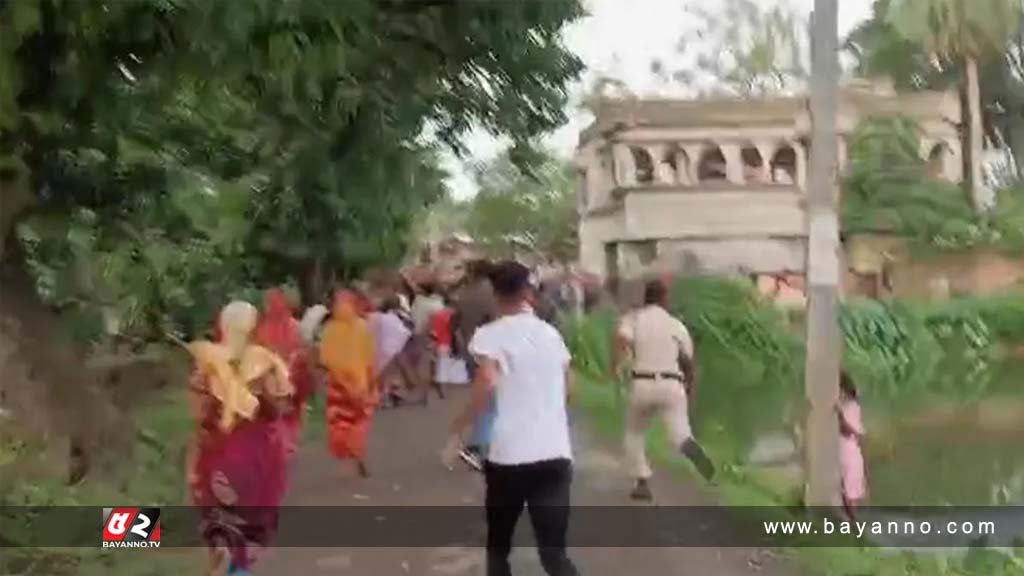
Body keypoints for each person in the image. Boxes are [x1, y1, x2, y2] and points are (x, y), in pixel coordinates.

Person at [444, 260, 579, 576]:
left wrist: (459, 428)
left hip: (510, 458)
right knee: (554, 555)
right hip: (555, 455)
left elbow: (486, 383)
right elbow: (570, 386)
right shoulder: (551, 334)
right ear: (528, 291)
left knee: (499, 550)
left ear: (495, 294)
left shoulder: (490, 335)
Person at [186, 301, 294, 576]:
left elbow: (198, 414)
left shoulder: (207, 364)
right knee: (250, 525)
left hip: (216, 452)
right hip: (259, 453)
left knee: (216, 520)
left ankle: (221, 558)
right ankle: (233, 566)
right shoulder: (267, 362)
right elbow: (281, 407)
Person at [612, 278, 715, 502]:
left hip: (642, 383)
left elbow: (621, 340)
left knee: (634, 433)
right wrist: (689, 389)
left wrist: (616, 367)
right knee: (680, 434)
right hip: (672, 383)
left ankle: (642, 481)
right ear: (664, 299)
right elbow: (688, 363)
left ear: (645, 297)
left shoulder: (634, 318)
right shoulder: (676, 325)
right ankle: (697, 455)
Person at [319, 290, 377, 478]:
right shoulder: (362, 327)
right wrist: (371, 381)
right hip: (360, 383)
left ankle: (348, 455)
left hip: (338, 384)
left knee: (340, 423)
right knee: (359, 421)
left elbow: (326, 360)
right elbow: (369, 358)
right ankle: (359, 454)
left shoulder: (330, 330)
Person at [254, 288, 314, 460]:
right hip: (290, 374)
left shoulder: (262, 328)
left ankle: (280, 443)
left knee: (277, 412)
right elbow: (302, 348)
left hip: (273, 376)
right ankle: (287, 443)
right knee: (291, 412)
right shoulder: (293, 325)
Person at [453, 260, 498, 471]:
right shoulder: (492, 294)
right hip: (492, 352)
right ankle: (476, 448)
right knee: (491, 402)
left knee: (484, 398)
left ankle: (480, 446)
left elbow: (454, 323)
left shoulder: (465, 294)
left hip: (471, 351)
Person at [367, 296, 414, 408]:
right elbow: (405, 332)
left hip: (377, 349)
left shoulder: (373, 317)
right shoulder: (395, 317)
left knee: (378, 375)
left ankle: (380, 398)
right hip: (393, 349)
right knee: (386, 376)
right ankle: (386, 397)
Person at [838, 371, 866, 520]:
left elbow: (851, 431)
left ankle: (855, 527)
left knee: (848, 494)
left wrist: (840, 417)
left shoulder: (851, 407)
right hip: (837, 452)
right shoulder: (839, 405)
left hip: (847, 453)